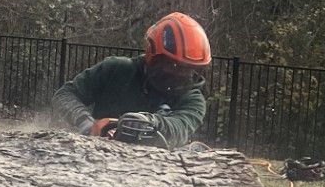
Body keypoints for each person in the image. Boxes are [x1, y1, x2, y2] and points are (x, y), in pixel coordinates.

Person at [52, 12, 212, 147]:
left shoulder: (193, 100)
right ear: (152, 55)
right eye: (175, 66)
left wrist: (149, 124)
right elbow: (65, 95)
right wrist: (87, 124)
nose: (182, 74)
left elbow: (179, 128)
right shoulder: (116, 69)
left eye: (189, 68)